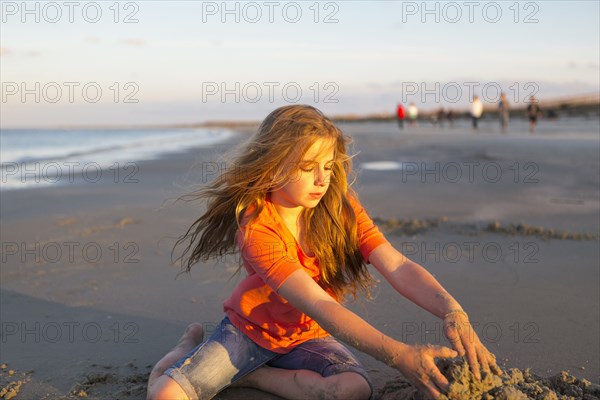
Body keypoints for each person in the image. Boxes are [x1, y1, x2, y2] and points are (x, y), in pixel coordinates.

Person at [147, 105, 501, 400]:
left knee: (354, 389)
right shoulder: (257, 229)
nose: (322, 179)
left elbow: (397, 265)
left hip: (308, 335)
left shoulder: (339, 207)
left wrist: (453, 310)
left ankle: (252, 377)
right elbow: (322, 305)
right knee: (164, 394)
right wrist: (399, 355)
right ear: (273, 165)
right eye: (307, 167)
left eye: (328, 166)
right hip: (249, 331)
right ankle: (185, 349)